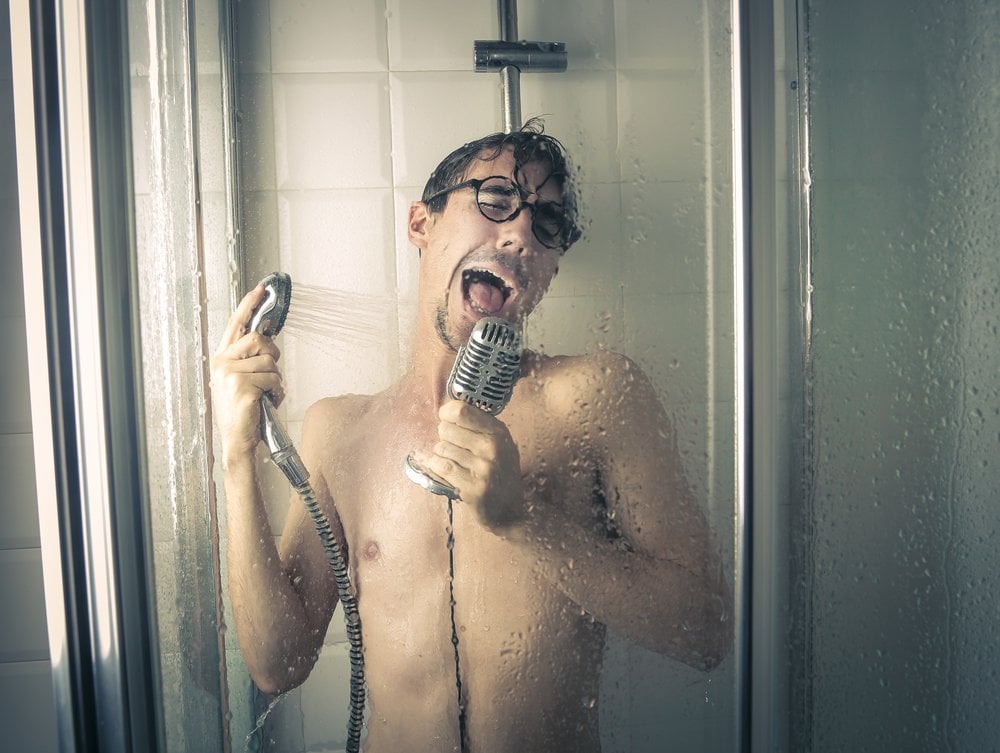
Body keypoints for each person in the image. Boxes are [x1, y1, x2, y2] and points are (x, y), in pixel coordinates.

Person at [212, 122, 732, 753]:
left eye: (546, 225)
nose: (519, 233)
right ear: (420, 224)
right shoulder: (339, 433)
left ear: (549, 271)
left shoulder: (595, 397)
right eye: (495, 200)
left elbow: (704, 631)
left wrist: (523, 521)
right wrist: (237, 459)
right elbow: (278, 665)